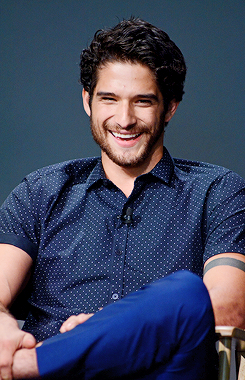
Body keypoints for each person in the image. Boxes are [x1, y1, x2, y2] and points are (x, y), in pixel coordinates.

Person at [0, 17, 245, 379]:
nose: (124, 119)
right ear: (88, 101)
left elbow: (227, 308)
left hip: (157, 373)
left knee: (188, 293)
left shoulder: (218, 191)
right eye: (109, 99)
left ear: (170, 107)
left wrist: (99, 337)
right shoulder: (40, 192)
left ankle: (32, 365)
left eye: (143, 101)